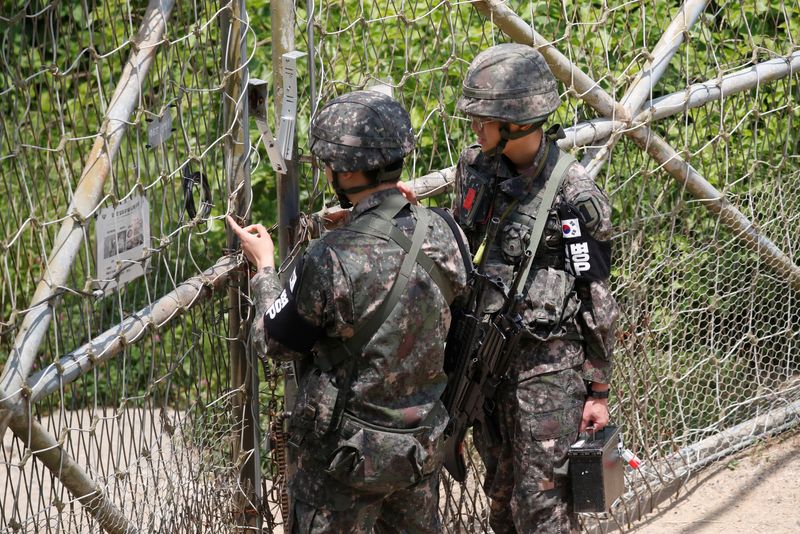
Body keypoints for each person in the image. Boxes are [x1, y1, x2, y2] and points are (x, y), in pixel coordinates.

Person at [227, 90, 469, 533]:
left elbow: (271, 340)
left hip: (345, 459)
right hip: (419, 446)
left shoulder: (328, 257)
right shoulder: (446, 232)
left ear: (346, 171)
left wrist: (264, 269)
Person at [451, 43, 620, 534]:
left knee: (544, 508)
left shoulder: (576, 197)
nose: (475, 127)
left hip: (549, 372)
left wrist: (598, 390)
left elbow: (595, 296)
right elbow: (457, 249)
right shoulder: (477, 167)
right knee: (500, 499)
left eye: (483, 118)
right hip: (487, 362)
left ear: (516, 122)